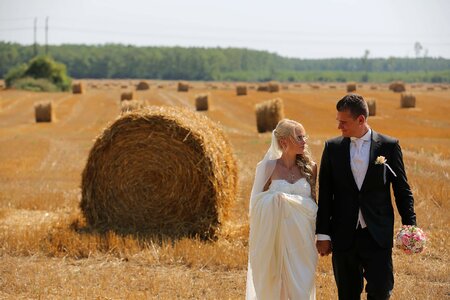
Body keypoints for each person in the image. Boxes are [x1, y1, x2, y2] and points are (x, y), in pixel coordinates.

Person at [316, 94, 417, 300]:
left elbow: (401, 190)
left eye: (343, 122)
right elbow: (325, 194)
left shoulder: (389, 146)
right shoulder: (332, 148)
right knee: (347, 295)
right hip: (344, 235)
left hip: (377, 234)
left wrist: (410, 227)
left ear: (361, 120)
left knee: (381, 292)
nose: (339, 127)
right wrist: (323, 234)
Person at [246, 119, 318, 300]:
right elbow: (255, 206)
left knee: (301, 289)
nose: (304, 141)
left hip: (302, 241)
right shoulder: (267, 167)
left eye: (304, 136)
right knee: (275, 287)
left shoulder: (311, 168)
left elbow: (314, 203)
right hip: (274, 241)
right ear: (284, 142)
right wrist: (274, 200)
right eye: (299, 137)